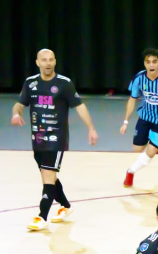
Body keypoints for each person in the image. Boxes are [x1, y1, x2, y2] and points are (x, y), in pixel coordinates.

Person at [11, 49, 98, 231]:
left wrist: (91, 128)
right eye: (44, 60)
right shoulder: (30, 83)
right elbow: (19, 104)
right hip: (38, 138)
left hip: (56, 138)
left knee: (48, 176)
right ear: (38, 62)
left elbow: (80, 106)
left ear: (55, 62)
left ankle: (41, 216)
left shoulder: (64, 83)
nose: (48, 63)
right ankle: (65, 206)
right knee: (48, 175)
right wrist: (16, 114)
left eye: (51, 60)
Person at [120, 48, 158, 187]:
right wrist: (125, 121)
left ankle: (131, 172)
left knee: (150, 152)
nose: (151, 65)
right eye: (148, 62)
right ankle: (154, 145)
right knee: (137, 149)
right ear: (144, 63)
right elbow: (132, 99)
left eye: (154, 62)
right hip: (145, 117)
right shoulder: (139, 78)